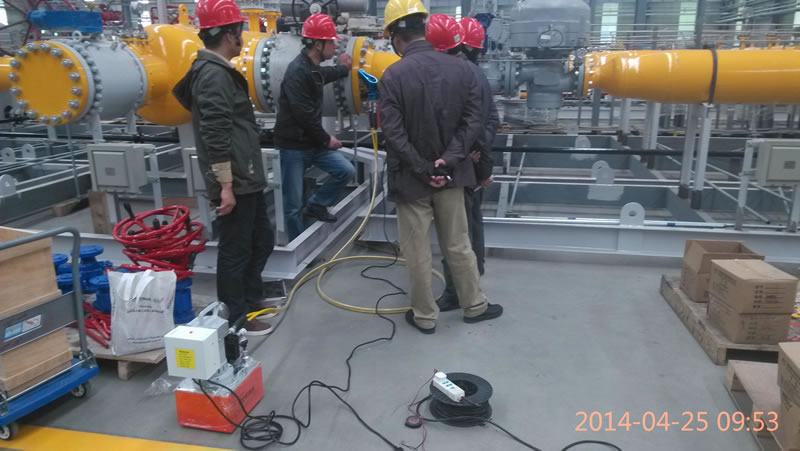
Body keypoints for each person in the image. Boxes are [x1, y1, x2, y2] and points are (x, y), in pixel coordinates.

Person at [380, 0, 503, 334]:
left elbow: (393, 133)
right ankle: (475, 305)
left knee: (418, 251)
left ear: (395, 37)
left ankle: (424, 316)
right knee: (459, 244)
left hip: (412, 180)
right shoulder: (462, 69)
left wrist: (424, 168)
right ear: (424, 28)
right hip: (453, 175)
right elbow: (473, 122)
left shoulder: (393, 75)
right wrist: (447, 160)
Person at [173, 0, 274, 335]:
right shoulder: (213, 75)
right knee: (236, 250)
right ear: (229, 34)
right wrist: (225, 186)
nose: (243, 36)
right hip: (235, 180)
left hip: (245, 174)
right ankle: (235, 318)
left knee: (261, 240)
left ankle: (251, 300)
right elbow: (214, 133)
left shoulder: (217, 71)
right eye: (240, 30)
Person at [426, 15, 500, 312]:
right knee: (472, 226)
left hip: (460, 166)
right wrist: (482, 164)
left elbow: (472, 126)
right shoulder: (477, 73)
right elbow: (491, 120)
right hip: (471, 162)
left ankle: (457, 292)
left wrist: (477, 162)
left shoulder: (459, 74)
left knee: (456, 233)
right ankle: (473, 275)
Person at [274, 13, 355, 241]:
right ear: (318, 45)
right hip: (293, 146)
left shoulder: (311, 67)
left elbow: (322, 76)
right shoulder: (297, 71)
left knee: (345, 171)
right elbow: (304, 115)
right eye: (331, 42)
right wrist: (326, 139)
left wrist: (342, 69)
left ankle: (317, 204)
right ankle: (299, 247)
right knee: (292, 204)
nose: (335, 46)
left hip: (311, 141)